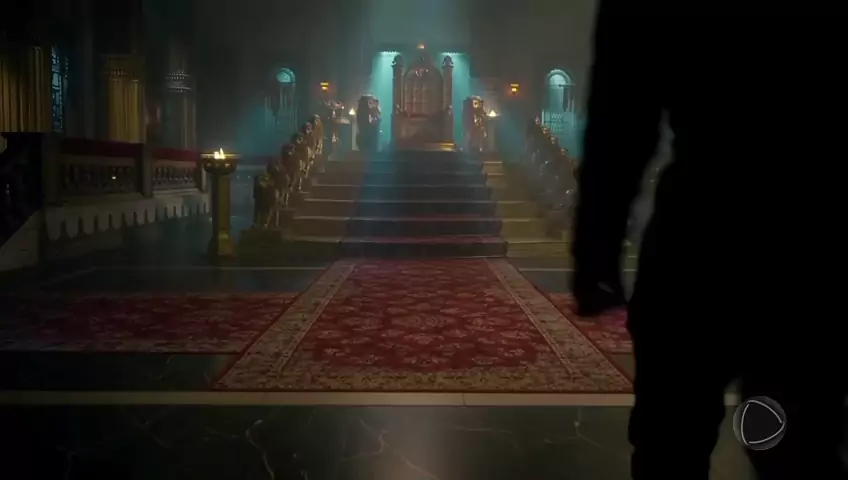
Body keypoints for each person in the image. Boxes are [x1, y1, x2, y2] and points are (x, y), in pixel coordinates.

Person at [571, 3, 844, 479]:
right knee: (799, 447)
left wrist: (596, 246)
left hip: (698, 234)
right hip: (807, 238)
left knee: (670, 440)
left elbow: (621, 117)